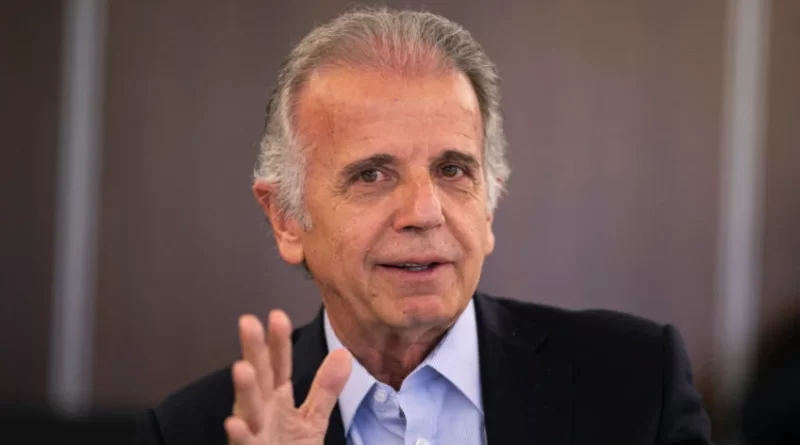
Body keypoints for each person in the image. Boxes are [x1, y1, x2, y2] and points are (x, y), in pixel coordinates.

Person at [133, 7, 713, 445]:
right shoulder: (190, 432)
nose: (424, 212)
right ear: (286, 218)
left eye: (453, 170)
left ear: (488, 205)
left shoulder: (637, 383)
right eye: (371, 175)